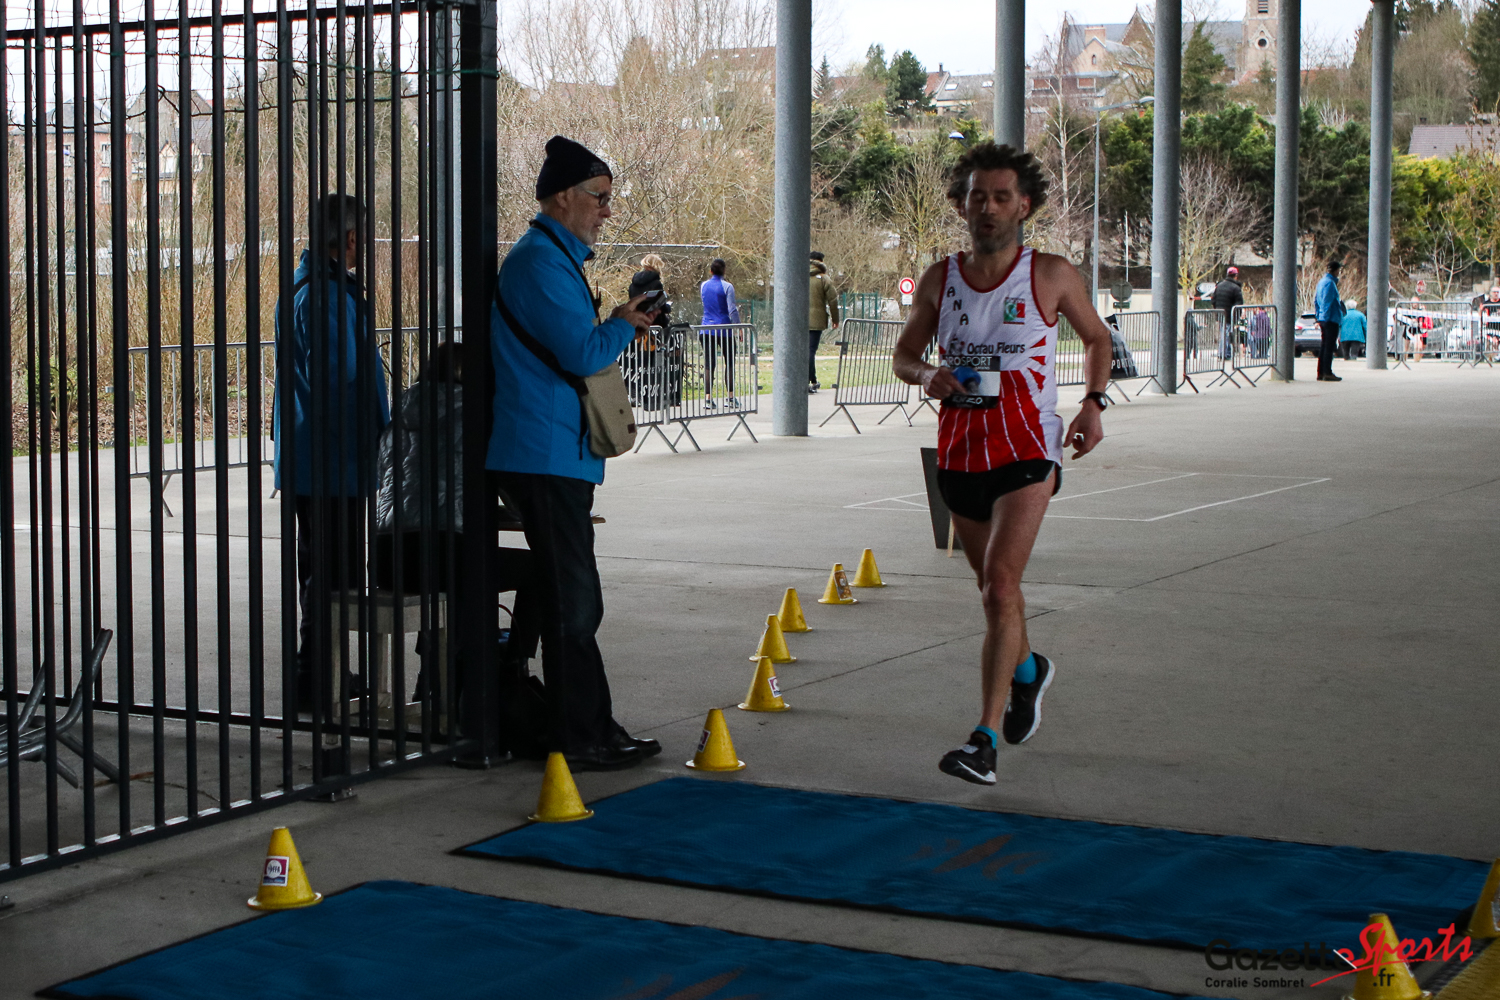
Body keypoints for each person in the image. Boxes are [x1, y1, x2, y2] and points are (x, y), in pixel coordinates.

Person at [892, 141, 1112, 786]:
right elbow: (904, 355)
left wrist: (1093, 403)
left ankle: (983, 741)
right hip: (961, 452)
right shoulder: (940, 278)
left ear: (1024, 205)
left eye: (1001, 197)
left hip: (1028, 450)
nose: (987, 207)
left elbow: (1097, 337)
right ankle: (1029, 670)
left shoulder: (1050, 274)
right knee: (994, 595)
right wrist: (927, 374)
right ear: (961, 204)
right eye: (977, 196)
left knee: (1000, 585)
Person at [487, 135, 661, 772]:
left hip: (552, 450)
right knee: (575, 601)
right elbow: (583, 353)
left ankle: (584, 725)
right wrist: (622, 325)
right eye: (599, 197)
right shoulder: (539, 262)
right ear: (562, 196)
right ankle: (580, 734)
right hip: (542, 452)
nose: (606, 210)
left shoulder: (552, 260)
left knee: (571, 595)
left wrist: (616, 320)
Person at [274, 192, 390, 718]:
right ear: (348, 238)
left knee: (327, 569)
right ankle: (318, 674)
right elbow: (339, 372)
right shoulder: (325, 296)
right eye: (362, 235)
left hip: (321, 454)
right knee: (332, 572)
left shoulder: (314, 288)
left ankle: (325, 669)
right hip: (331, 455)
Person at [698, 258, 741, 408]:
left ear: (711, 271)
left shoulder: (703, 286)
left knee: (709, 364)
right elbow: (732, 309)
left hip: (706, 328)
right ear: (724, 271)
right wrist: (738, 327)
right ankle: (730, 397)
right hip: (724, 329)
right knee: (729, 363)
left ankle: (708, 399)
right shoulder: (727, 286)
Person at [807, 251, 841, 393]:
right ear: (821, 261)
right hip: (816, 320)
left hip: (797, 321)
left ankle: (812, 380)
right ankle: (808, 381)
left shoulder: (798, 275)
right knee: (810, 350)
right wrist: (835, 319)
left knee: (802, 351)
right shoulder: (824, 279)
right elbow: (833, 301)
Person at [1314, 258, 1346, 382]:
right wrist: (1326, 317)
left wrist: (1319, 316)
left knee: (1324, 346)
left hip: (1324, 318)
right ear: (1336, 270)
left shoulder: (1321, 282)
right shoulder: (1330, 283)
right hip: (1330, 319)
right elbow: (1327, 302)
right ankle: (1327, 372)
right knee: (1329, 346)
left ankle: (1321, 372)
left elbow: (1316, 300)